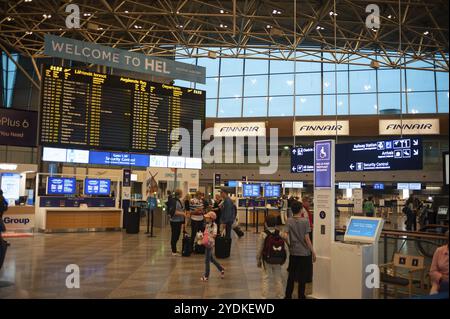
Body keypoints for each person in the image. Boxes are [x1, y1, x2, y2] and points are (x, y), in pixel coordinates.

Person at [283, 200, 316, 299]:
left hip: (294, 252)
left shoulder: (289, 221)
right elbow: (307, 238)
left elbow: (285, 235)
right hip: (304, 253)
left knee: (291, 275)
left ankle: (288, 295)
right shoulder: (305, 221)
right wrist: (313, 251)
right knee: (302, 277)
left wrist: (289, 245)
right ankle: (301, 295)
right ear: (301, 210)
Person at [257, 214, 285, 299]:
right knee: (278, 278)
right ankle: (280, 295)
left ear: (266, 223)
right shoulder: (279, 233)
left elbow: (260, 248)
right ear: (275, 223)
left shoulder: (263, 234)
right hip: (278, 259)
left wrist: (258, 259)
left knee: (265, 278)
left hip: (267, 259)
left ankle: (264, 296)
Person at [201, 211, 225, 281]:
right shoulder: (207, 224)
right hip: (206, 243)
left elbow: (214, 234)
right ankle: (221, 269)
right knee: (211, 259)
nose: (206, 218)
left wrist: (208, 235)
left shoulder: (214, 225)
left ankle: (206, 276)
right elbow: (205, 233)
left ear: (211, 218)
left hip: (210, 244)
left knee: (207, 261)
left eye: (207, 217)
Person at [169, 189, 186, 256]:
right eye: (181, 193)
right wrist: (182, 214)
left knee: (177, 235)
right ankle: (173, 251)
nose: (182, 194)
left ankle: (175, 249)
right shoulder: (175, 201)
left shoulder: (178, 200)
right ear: (179, 194)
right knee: (174, 236)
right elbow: (174, 212)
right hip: (175, 221)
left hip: (178, 221)